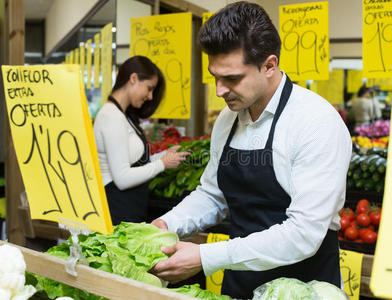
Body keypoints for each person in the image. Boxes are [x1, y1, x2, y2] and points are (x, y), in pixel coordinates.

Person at [151, 2, 352, 298]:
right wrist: (167, 223)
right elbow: (213, 194)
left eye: (231, 78)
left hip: (304, 288)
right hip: (241, 283)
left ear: (269, 65)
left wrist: (206, 257)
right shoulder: (228, 118)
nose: (219, 90)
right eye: (215, 76)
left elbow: (303, 235)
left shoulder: (316, 121)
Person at [93, 56, 189, 225]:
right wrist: (163, 164)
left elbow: (134, 164)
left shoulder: (122, 115)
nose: (150, 96)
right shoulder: (111, 116)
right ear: (133, 79)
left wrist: (164, 155)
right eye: (149, 88)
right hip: (115, 211)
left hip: (125, 210)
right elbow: (122, 179)